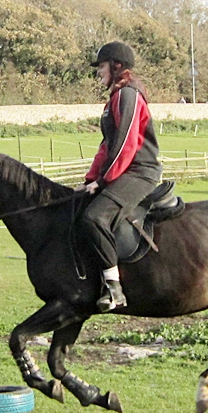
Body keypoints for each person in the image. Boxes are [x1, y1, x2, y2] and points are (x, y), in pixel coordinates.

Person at [78, 41, 162, 312]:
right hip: (125, 170)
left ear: (116, 66)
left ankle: (114, 289)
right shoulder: (115, 98)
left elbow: (126, 144)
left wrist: (103, 181)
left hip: (140, 172)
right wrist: (90, 179)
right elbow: (107, 145)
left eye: (101, 66)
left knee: (95, 217)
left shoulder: (129, 95)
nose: (98, 72)